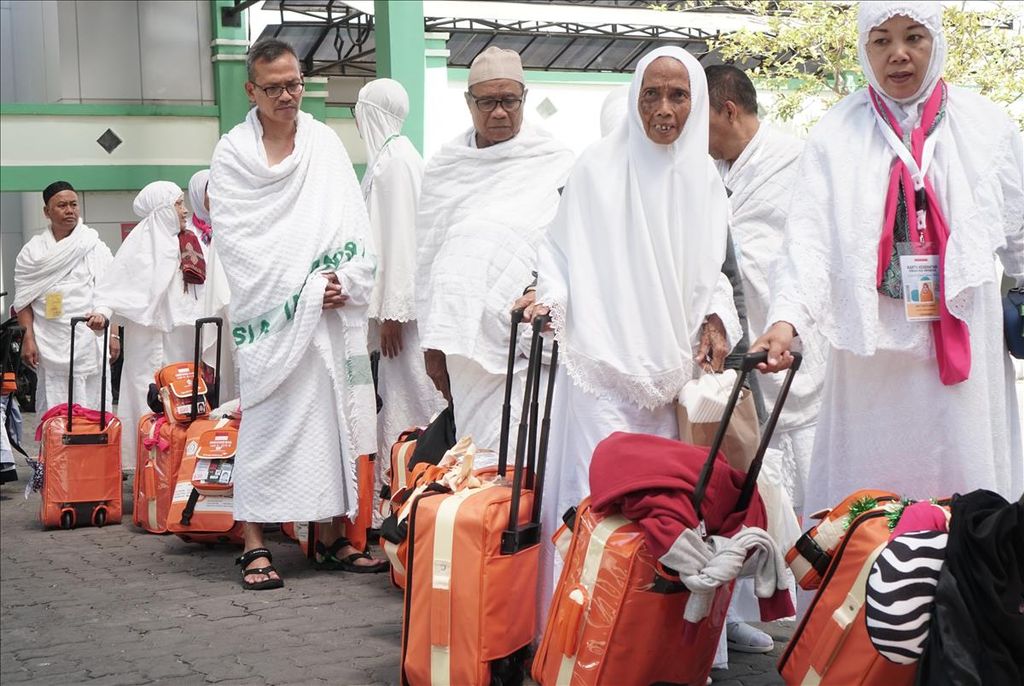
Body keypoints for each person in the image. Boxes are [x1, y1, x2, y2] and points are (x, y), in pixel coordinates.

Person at [752, 1, 1023, 518]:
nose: (898, 55)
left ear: (936, 42)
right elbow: (807, 242)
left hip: (964, 347)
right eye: (882, 41)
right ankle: (866, 584)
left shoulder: (985, 128)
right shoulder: (837, 134)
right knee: (875, 497)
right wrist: (785, 322)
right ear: (864, 48)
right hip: (871, 355)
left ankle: (967, 587)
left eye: (913, 37)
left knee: (963, 489)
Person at [526, 46, 742, 628]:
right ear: (634, 99)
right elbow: (558, 253)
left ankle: (656, 638)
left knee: (668, 508)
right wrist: (550, 297)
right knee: (593, 498)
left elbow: (713, 277)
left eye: (678, 95)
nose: (664, 108)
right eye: (652, 94)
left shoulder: (704, 181)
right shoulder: (597, 167)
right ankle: (576, 635)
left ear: (696, 103)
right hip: (600, 365)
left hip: (674, 378)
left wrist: (717, 323)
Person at [208, 37, 385, 590]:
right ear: (251, 89)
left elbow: (353, 226)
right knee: (267, 423)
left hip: (328, 318)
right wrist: (305, 290)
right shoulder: (232, 154)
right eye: (275, 87)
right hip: (271, 320)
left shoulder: (325, 143)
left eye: (295, 83)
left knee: (334, 422)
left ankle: (331, 536)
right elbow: (239, 243)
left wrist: (342, 281)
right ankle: (256, 543)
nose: (288, 95)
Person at [705, 64, 828, 657]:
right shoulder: (714, 171)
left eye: (696, 112)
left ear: (728, 111)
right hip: (739, 351)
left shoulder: (793, 162)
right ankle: (750, 611)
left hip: (794, 354)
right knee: (750, 488)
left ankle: (823, 612)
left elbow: (802, 256)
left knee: (806, 487)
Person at [416, 46, 574, 455]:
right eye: (488, 101)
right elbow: (428, 257)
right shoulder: (445, 167)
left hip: (528, 339)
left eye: (509, 100)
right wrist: (432, 344)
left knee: (529, 450)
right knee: (477, 449)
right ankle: (475, 519)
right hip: (461, 342)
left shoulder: (555, 161)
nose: (500, 112)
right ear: (469, 104)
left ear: (525, 98)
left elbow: (570, 249)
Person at [354, 78, 446, 499]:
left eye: (359, 109)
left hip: (404, 319)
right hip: (394, 314)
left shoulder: (396, 163)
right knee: (395, 395)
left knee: (412, 396)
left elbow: (403, 243)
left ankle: (414, 485)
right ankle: (399, 489)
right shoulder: (387, 160)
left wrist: (393, 313)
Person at [86, 181, 215, 474]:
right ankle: (148, 471)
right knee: (144, 397)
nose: (184, 211)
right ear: (162, 209)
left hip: (182, 337)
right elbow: (113, 288)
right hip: (145, 338)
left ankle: (182, 467)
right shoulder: (138, 245)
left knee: (184, 399)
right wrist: (103, 314)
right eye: (178, 204)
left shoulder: (190, 241)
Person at [14, 182, 114, 414]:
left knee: (93, 406)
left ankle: (93, 448)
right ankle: (55, 449)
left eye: (73, 204)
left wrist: (114, 333)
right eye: (61, 205)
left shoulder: (93, 245)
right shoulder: (32, 251)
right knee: (55, 404)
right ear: (47, 212)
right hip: (50, 340)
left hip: (90, 337)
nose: (70, 210)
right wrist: (28, 339)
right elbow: (23, 301)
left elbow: (110, 291)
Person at [186, 169, 235, 402]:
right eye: (209, 190)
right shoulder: (186, 234)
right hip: (196, 317)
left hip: (229, 309)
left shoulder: (233, 226)